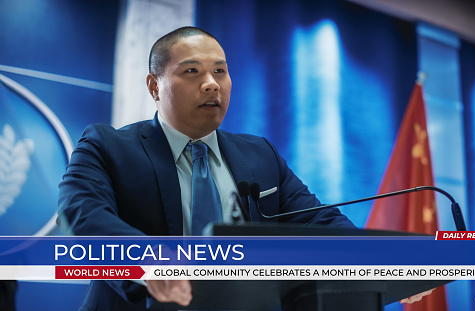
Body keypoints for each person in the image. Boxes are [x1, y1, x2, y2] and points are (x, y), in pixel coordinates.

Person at [58, 26, 430, 310]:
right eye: (191, 71)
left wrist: (386, 265)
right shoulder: (108, 145)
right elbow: (81, 212)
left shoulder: (259, 154)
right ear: (155, 87)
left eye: (220, 71)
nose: (210, 84)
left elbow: (320, 223)